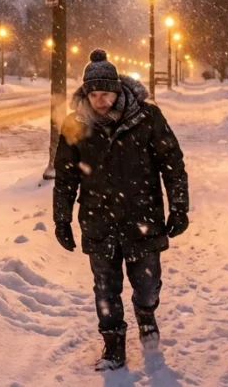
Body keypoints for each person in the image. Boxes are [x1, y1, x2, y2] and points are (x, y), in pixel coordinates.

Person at [53, 49, 189, 372]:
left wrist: (179, 206)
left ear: (118, 89)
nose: (101, 101)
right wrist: (62, 218)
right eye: (94, 94)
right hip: (98, 222)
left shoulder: (147, 117)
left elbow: (172, 165)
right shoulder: (76, 125)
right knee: (105, 288)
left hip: (143, 218)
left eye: (107, 93)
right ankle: (114, 345)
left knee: (147, 283)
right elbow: (66, 175)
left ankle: (146, 314)